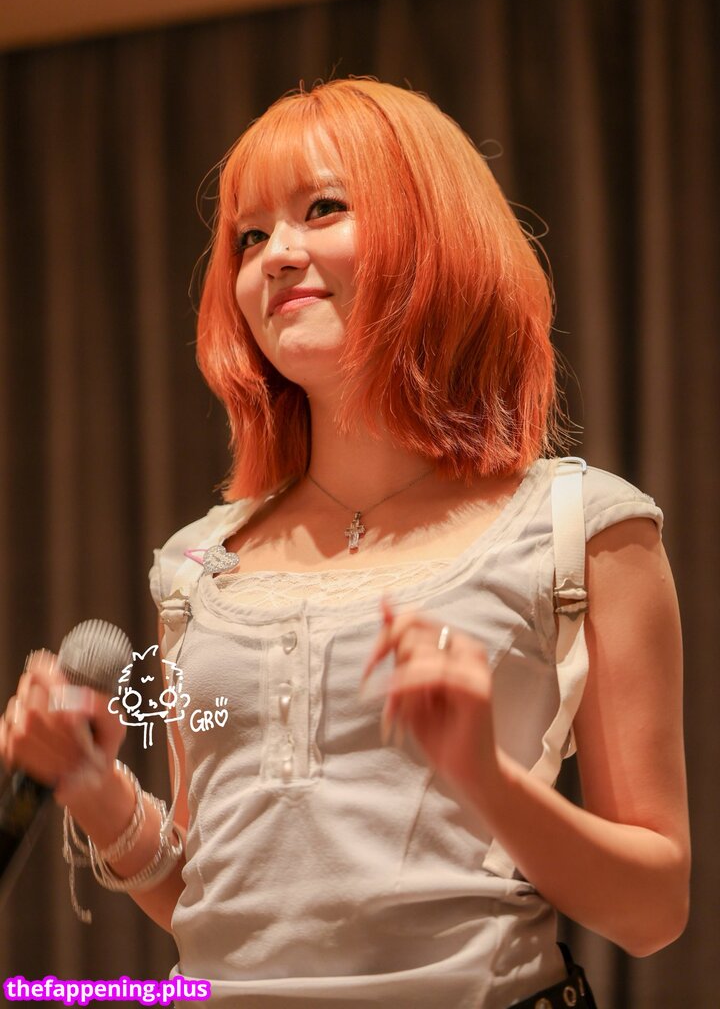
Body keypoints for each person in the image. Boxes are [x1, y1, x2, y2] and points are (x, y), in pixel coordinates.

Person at [0, 78, 689, 1008]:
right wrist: (92, 786)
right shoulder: (198, 567)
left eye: (323, 208)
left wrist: (484, 778)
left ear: (434, 233)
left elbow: (653, 910)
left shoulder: (583, 528)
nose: (277, 256)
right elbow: (213, 901)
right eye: (250, 237)